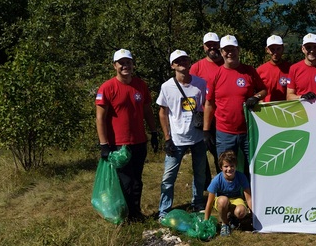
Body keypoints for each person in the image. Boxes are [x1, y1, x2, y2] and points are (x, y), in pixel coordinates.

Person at [95, 49, 158, 221]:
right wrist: (104, 144)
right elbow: (100, 118)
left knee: (137, 180)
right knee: (125, 181)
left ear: (132, 64)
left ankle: (135, 212)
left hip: (139, 141)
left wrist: (154, 132)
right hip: (119, 144)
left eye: (128, 62)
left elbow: (147, 111)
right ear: (114, 65)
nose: (125, 66)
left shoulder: (140, 85)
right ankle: (125, 215)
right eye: (121, 63)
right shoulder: (107, 88)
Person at [156, 50, 208, 219]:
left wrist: (207, 130)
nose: (182, 63)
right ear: (172, 65)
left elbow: (207, 106)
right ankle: (164, 210)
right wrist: (167, 138)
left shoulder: (200, 83)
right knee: (168, 176)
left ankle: (198, 202)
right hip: (177, 138)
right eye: (178, 61)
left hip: (198, 136)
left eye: (185, 60)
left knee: (200, 173)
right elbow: (162, 112)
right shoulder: (167, 87)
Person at [203, 35, 267, 163]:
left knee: (254, 167)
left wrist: (256, 97)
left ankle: (248, 184)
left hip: (249, 130)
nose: (229, 53)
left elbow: (264, 90)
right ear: (221, 52)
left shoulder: (249, 71)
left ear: (238, 50)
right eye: (226, 50)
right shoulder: (215, 75)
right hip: (224, 132)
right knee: (227, 168)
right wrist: (206, 130)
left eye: (232, 49)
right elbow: (209, 104)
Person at [190, 31, 224, 176]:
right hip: (202, 116)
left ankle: (224, 185)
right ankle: (205, 189)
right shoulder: (196, 68)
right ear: (204, 47)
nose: (212, 48)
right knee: (200, 156)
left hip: (222, 116)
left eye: (214, 45)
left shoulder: (226, 63)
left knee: (221, 155)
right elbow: (189, 93)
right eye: (208, 45)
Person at [204, 150, 252, 236]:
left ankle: (233, 218)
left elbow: (248, 198)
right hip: (221, 201)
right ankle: (225, 224)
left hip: (236, 199)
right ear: (221, 167)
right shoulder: (216, 180)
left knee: (241, 211)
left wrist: (254, 217)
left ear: (236, 166)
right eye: (226, 166)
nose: (229, 169)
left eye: (232, 166)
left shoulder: (241, 176)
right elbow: (209, 202)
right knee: (223, 200)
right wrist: (206, 221)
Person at [256, 34, 291, 102]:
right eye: (272, 49)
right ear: (267, 50)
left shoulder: (291, 69)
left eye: (278, 49)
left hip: (287, 109)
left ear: (282, 48)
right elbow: (256, 92)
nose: (275, 52)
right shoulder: (260, 70)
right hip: (267, 110)